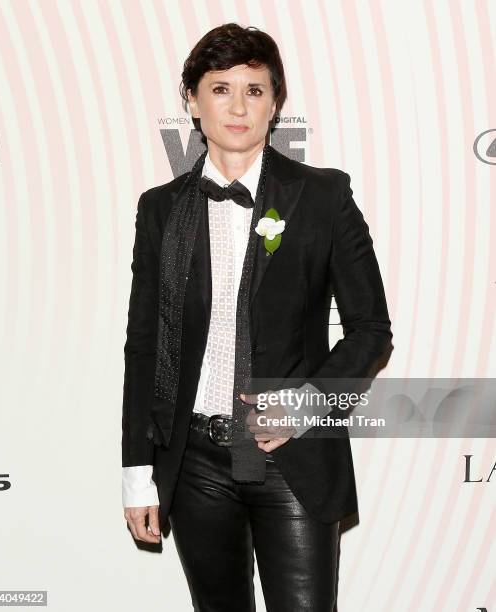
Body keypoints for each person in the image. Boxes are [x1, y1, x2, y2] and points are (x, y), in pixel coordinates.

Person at [122, 22, 392, 612]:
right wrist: (138, 470)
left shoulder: (323, 197)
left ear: (275, 104)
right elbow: (144, 347)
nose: (238, 106)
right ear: (192, 101)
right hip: (192, 461)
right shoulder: (160, 209)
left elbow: (371, 329)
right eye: (221, 89)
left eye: (255, 89)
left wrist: (308, 401)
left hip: (289, 457)